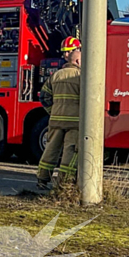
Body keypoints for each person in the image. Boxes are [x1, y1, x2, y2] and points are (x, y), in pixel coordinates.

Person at [37, 37, 82, 190]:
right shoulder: (82, 77)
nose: (65, 55)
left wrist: (53, 112)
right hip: (75, 123)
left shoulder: (55, 76)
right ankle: (64, 184)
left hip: (56, 120)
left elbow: (44, 97)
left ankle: (42, 179)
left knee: (51, 150)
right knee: (70, 152)